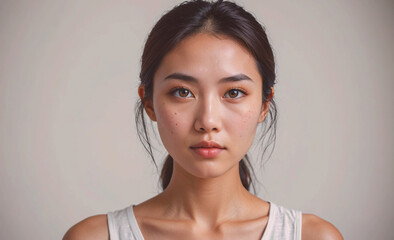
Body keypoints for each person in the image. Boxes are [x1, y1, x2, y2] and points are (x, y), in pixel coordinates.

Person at [63, 0, 343, 239]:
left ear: (264, 104)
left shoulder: (313, 236)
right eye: (182, 92)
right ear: (148, 102)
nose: (207, 121)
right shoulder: (95, 236)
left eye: (233, 92)